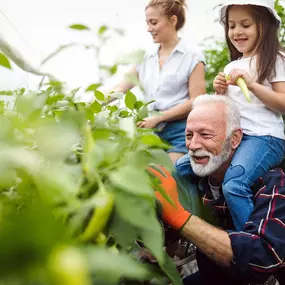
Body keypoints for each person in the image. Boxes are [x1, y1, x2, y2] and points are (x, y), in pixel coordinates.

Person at [152, 94, 285, 285]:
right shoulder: (193, 182)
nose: (193, 145)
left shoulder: (273, 185)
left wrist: (180, 218)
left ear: (235, 139)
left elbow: (261, 257)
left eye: (205, 135)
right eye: (189, 135)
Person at [176, 0, 285, 231]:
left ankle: (251, 244)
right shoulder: (232, 66)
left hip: (265, 138)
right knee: (182, 168)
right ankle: (198, 225)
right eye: (232, 25)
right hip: (235, 138)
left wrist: (253, 85)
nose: (237, 31)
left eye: (245, 25)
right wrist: (220, 92)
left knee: (235, 185)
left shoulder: (275, 59)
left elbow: (282, 103)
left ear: (263, 27)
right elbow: (227, 110)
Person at [111, 0, 206, 163]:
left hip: (181, 131)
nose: (149, 29)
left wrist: (159, 117)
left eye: (153, 22)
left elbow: (196, 100)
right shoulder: (146, 57)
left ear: (173, 20)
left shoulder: (192, 56)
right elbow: (121, 87)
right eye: (147, 23)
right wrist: (90, 104)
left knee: (170, 174)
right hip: (152, 131)